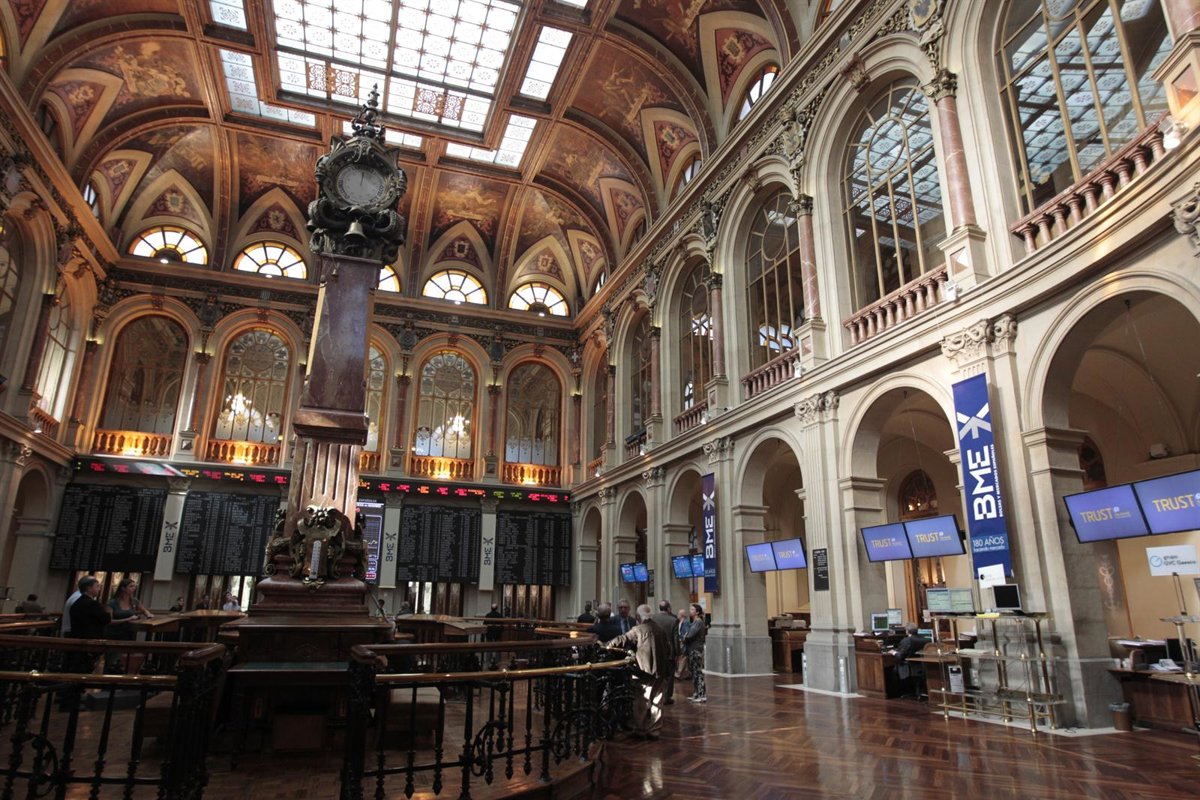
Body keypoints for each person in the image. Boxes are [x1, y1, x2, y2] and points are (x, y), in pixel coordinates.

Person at [604, 603, 673, 741]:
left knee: (641, 701)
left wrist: (606, 645)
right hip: (660, 671)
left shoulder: (638, 630)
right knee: (657, 700)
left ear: (639, 616)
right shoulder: (660, 629)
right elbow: (668, 649)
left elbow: (622, 639)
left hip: (643, 670)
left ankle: (640, 729)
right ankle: (654, 730)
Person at [106, 578, 150, 673]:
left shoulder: (134, 601)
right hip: (114, 634)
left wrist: (148, 615)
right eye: (131, 586)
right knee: (112, 660)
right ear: (123, 588)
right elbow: (109, 621)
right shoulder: (113, 603)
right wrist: (128, 619)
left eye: (134, 586)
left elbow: (145, 610)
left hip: (128, 634)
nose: (134, 588)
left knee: (125, 660)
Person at [68, 576, 111, 672]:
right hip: (90, 641)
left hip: (76, 639)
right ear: (88, 588)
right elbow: (106, 619)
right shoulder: (92, 604)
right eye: (97, 586)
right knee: (85, 669)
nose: (99, 589)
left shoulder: (76, 603)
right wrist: (108, 612)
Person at [651, 600, 680, 704]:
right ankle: (667, 697)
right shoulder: (673, 620)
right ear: (668, 608)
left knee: (657, 674)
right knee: (669, 676)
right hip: (669, 653)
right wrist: (677, 653)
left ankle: (655, 695)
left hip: (655, 651)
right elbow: (675, 639)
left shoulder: (653, 618)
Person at [682, 603, 708, 703]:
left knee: (697, 672)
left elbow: (689, 635)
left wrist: (684, 637)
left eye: (692, 609)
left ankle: (701, 694)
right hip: (693, 649)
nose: (690, 611)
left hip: (695, 650)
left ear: (697, 612)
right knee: (694, 672)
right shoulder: (695, 622)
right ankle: (697, 693)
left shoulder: (698, 622)